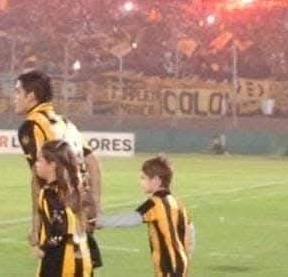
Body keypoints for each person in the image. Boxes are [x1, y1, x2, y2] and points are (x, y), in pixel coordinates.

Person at [15, 70, 102, 266]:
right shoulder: (64, 122)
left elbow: (38, 175)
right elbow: (92, 161)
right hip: (80, 208)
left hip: (58, 213)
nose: (15, 97)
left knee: (57, 267)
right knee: (80, 267)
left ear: (31, 96)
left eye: (18, 92)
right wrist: (95, 203)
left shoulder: (32, 125)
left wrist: (36, 222)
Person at [99, 154, 194, 277]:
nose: (141, 182)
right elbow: (190, 233)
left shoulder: (154, 203)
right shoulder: (178, 203)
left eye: (143, 178)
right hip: (180, 264)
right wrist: (184, 257)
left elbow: (132, 218)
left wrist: (100, 221)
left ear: (156, 180)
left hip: (168, 267)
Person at [32, 140, 93, 276]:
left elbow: (61, 226)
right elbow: (90, 220)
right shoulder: (75, 187)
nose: (36, 164)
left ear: (52, 165)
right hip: (82, 256)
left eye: (40, 160)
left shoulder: (50, 193)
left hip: (61, 260)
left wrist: (44, 248)